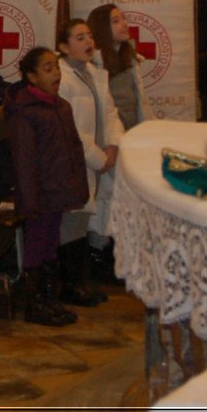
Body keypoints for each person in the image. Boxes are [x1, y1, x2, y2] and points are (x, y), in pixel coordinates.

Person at [3, 47, 88, 327]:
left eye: (57, 67)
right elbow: (24, 160)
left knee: (52, 241)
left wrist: (77, 186)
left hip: (58, 187)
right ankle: (35, 302)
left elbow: (73, 149)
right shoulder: (24, 112)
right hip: (39, 192)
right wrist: (29, 200)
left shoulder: (61, 106)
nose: (57, 73)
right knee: (37, 243)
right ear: (31, 76)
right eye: (48, 68)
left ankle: (51, 298)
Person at [54, 19, 121, 308]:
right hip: (76, 161)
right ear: (64, 47)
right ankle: (70, 285)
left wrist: (114, 144)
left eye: (90, 36)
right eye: (79, 38)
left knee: (87, 221)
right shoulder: (62, 79)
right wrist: (96, 156)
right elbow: (69, 127)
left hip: (100, 158)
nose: (88, 42)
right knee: (73, 221)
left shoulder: (96, 73)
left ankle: (82, 280)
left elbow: (110, 111)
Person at [87, 3, 149, 129]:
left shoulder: (130, 57)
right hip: (110, 133)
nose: (124, 24)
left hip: (134, 129)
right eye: (116, 21)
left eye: (123, 19)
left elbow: (139, 102)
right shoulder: (93, 63)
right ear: (102, 27)